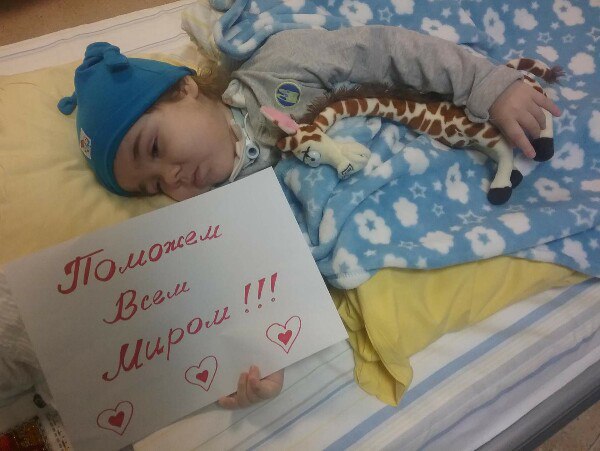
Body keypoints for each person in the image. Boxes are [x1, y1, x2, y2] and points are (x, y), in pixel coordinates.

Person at [58, 25, 562, 408]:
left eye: (155, 148)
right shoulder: (222, 217)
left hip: (436, 152)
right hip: (404, 232)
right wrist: (260, 359)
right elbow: (259, 289)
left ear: (185, 90)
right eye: (153, 187)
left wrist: (488, 84)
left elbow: (387, 50)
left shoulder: (280, 67)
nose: (171, 178)